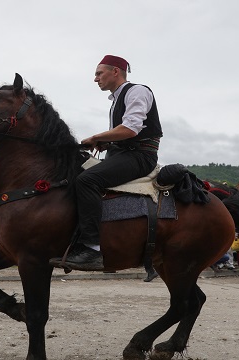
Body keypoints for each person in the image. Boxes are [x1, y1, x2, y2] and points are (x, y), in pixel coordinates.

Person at [55, 55, 162, 271]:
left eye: (98, 73)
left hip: (140, 156)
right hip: (123, 153)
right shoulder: (116, 99)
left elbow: (131, 129)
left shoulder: (137, 91)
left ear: (115, 71)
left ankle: (92, 249)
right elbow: (125, 133)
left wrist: (98, 138)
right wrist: (108, 142)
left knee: (87, 181)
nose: (95, 79)